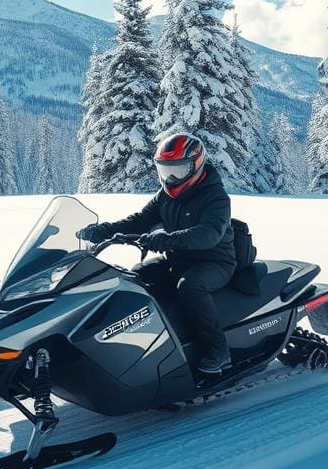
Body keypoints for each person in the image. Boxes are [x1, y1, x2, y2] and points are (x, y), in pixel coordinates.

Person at [78, 133, 236, 374]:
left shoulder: (215, 196)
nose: (171, 178)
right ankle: (155, 344)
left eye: (178, 171)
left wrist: (168, 240)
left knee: (191, 286)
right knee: (137, 275)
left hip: (215, 262)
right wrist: (103, 231)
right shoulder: (166, 196)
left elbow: (209, 233)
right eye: (165, 171)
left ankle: (218, 351)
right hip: (179, 258)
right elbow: (140, 220)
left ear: (195, 166)